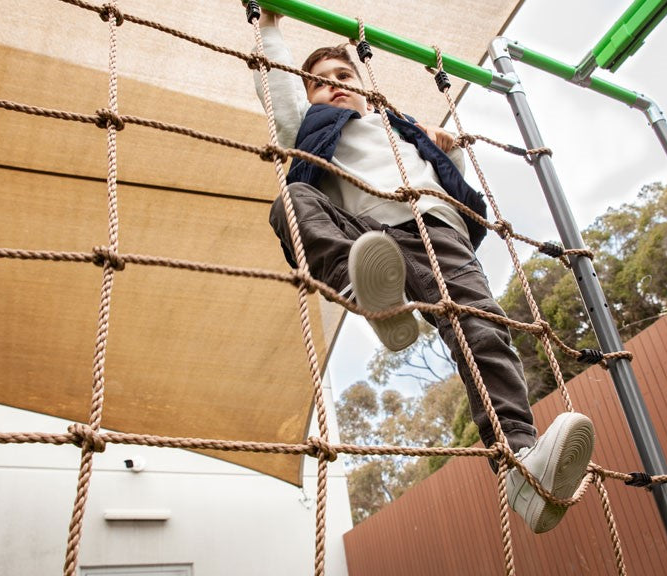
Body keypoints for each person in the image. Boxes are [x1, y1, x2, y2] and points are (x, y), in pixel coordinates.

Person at [253, 10, 594, 533]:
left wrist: (446, 148)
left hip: (438, 233)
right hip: (368, 239)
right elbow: (279, 99)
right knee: (292, 201)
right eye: (319, 84)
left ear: (364, 87)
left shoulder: (402, 129)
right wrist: (271, 29)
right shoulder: (313, 129)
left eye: (344, 77)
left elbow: (442, 182)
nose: (333, 87)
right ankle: (363, 289)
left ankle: (522, 463)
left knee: (483, 328)